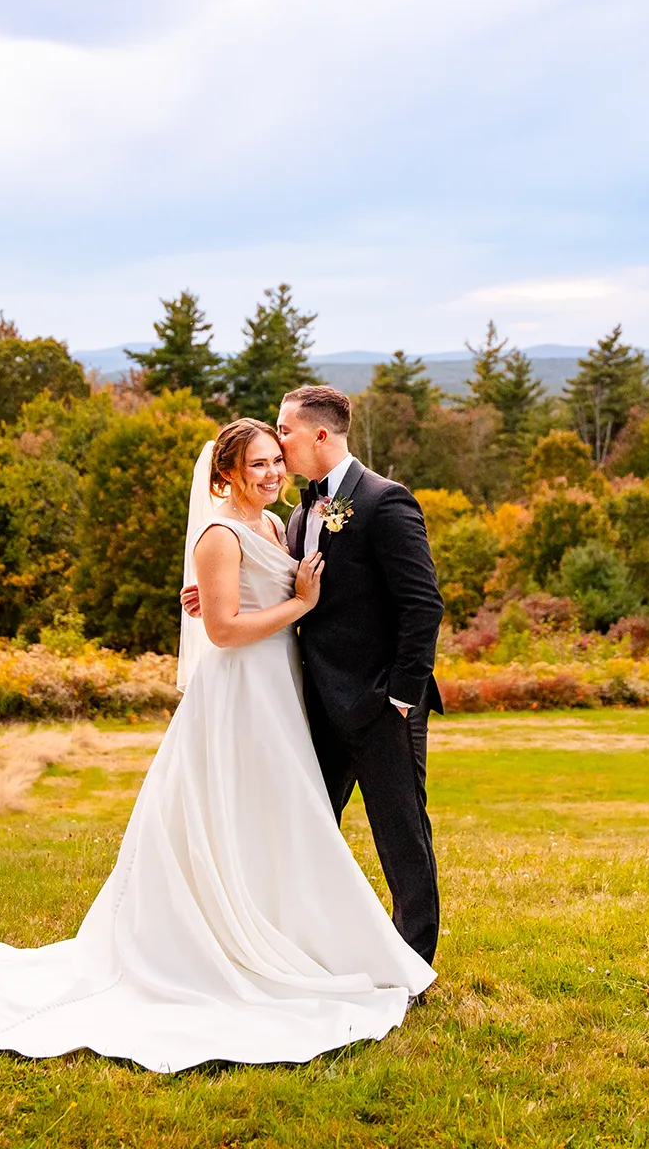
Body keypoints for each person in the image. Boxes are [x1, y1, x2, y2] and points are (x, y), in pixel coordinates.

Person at [0, 419, 434, 1073]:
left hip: (283, 692)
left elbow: (304, 592)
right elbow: (225, 633)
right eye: (256, 465)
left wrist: (279, 600)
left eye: (274, 462)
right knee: (242, 814)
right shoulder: (220, 533)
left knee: (278, 822)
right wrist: (296, 604)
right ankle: (218, 944)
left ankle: (282, 931)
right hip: (240, 694)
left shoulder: (280, 526)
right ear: (225, 474)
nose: (271, 473)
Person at [187, 385, 445, 964]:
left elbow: (422, 605)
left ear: (319, 435)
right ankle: (293, 944)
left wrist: (403, 696)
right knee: (304, 831)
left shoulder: (385, 500)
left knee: (401, 836)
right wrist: (216, 593)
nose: (279, 441)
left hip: (382, 705)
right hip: (315, 707)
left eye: (286, 432)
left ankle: (413, 962)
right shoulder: (300, 511)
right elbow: (282, 584)